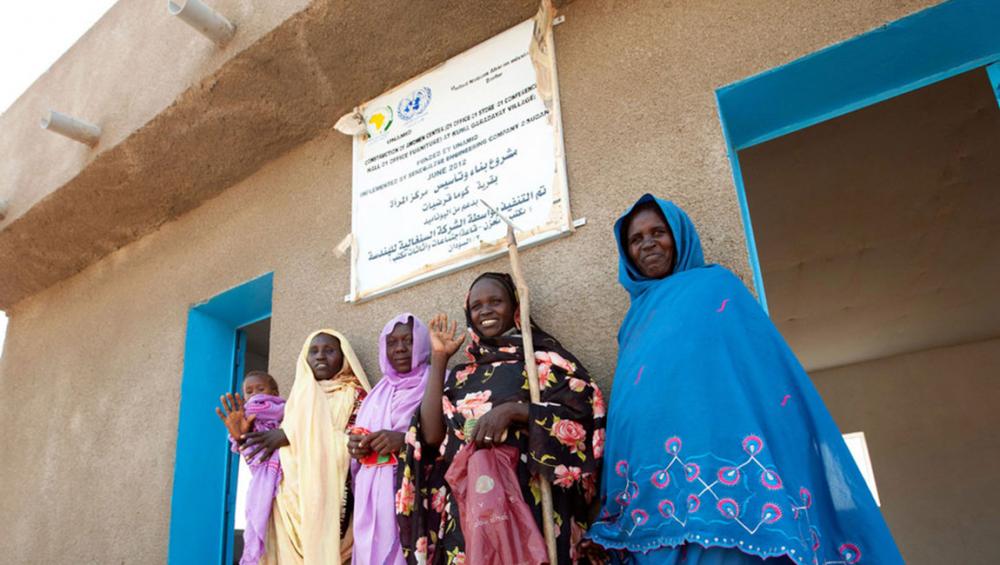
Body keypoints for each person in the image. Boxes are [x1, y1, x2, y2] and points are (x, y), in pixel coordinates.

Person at [586, 194, 904, 564]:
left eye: (659, 232)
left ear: (679, 236)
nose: (648, 243)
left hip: (719, 464)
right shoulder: (633, 322)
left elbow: (762, 376)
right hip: (647, 474)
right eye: (636, 239)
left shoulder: (716, 287)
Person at [396, 272, 606, 564]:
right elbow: (430, 436)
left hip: (532, 506)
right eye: (477, 306)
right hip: (472, 515)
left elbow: (584, 417)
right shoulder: (462, 376)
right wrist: (440, 357)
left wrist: (515, 412)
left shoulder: (543, 361)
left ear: (515, 307)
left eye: (496, 301)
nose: (486, 311)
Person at [242, 330, 371, 564]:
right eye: (314, 351)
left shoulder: (356, 395)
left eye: (329, 351)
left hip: (334, 498)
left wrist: (290, 436)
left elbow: (358, 443)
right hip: (289, 502)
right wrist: (244, 435)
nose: (320, 356)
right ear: (305, 358)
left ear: (343, 357)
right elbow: (267, 455)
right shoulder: (296, 399)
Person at [349, 314, 432, 565]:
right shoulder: (377, 393)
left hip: (415, 492)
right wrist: (355, 447)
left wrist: (405, 440)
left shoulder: (438, 381)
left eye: (409, 340)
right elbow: (360, 434)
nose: (400, 348)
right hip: (372, 499)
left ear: (422, 342)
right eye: (392, 342)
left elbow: (450, 435)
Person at [216, 370, 286, 565]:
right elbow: (253, 457)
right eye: (249, 391)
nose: (255, 395)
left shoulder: (289, 411)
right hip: (264, 481)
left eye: (260, 389)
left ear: (274, 393)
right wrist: (241, 438)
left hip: (287, 482)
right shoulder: (246, 418)